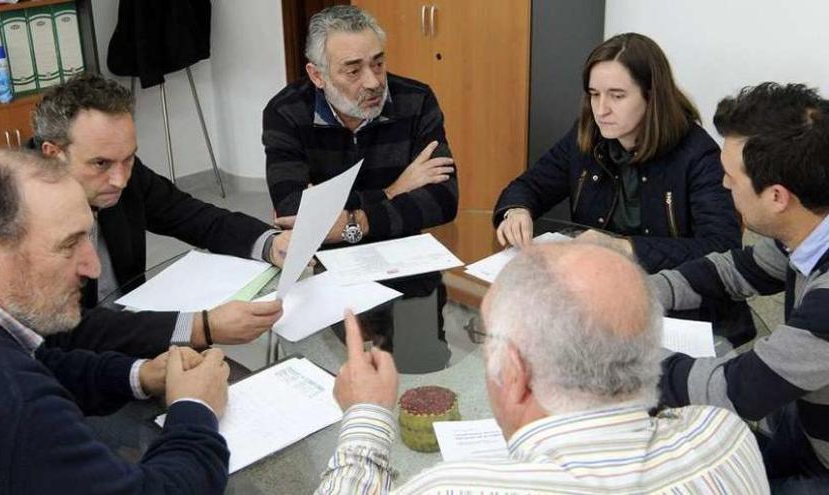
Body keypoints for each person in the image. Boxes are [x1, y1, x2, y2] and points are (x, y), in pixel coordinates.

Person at [317, 242, 768, 493]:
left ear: (514, 371)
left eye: (486, 336)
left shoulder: (451, 488)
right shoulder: (725, 437)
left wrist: (367, 417)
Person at [0, 148, 231, 494]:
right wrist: (196, 408)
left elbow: (40, 363)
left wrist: (139, 375)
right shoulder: (12, 402)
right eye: (69, 245)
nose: (92, 267)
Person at [31, 73, 288, 358]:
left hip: (137, 336)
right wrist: (200, 327)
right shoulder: (19, 216)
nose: (120, 180)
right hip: (75, 368)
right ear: (53, 153)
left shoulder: (122, 171)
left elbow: (194, 217)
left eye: (128, 158)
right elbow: (68, 332)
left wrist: (271, 243)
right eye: (100, 163)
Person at [655, 83, 829, 491]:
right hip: (804, 416)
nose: (723, 185)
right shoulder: (807, 228)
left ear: (776, 197)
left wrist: (630, 363)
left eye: (732, 176)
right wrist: (639, 291)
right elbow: (734, 270)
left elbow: (742, 389)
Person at [494, 32, 741, 274]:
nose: (601, 110)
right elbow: (529, 186)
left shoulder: (697, 153)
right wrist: (517, 210)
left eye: (617, 96)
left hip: (678, 302)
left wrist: (623, 247)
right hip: (602, 288)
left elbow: (721, 247)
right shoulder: (587, 136)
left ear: (652, 97)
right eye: (594, 95)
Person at [263, 5, 458, 245]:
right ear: (317, 76)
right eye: (353, 71)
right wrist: (393, 191)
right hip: (323, 258)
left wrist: (354, 220)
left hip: (401, 250)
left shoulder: (417, 101)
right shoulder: (286, 112)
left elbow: (444, 200)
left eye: (378, 63)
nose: (373, 82)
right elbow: (293, 210)